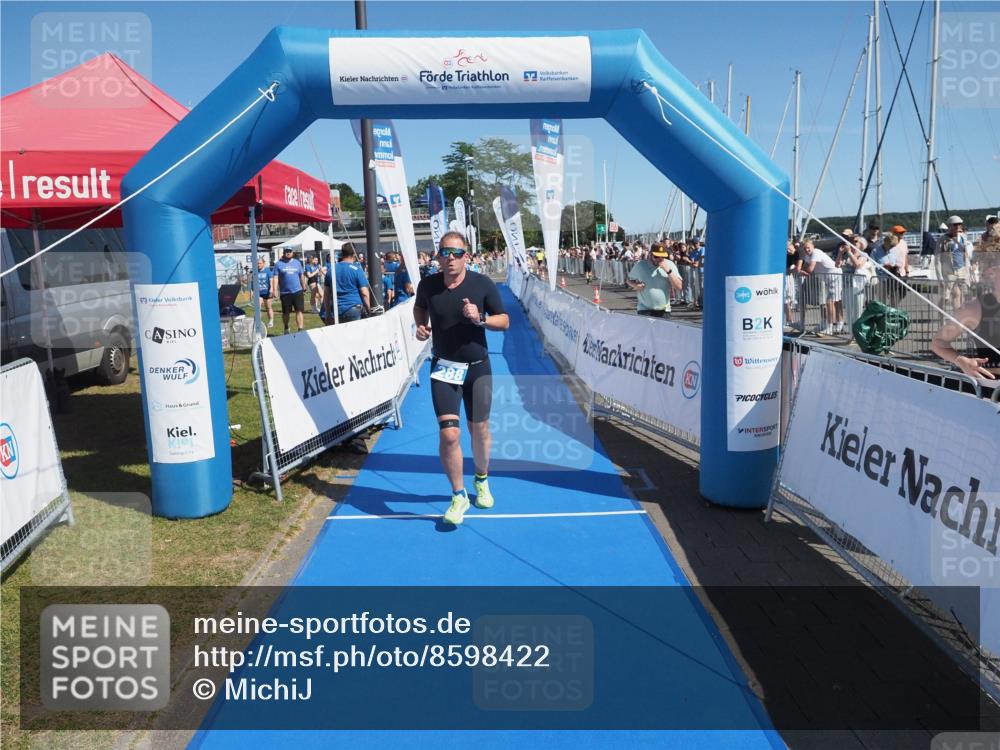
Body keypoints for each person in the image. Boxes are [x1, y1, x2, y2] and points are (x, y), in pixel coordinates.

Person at [414, 231, 510, 526]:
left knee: (478, 430)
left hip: (478, 368)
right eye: (446, 252)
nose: (451, 258)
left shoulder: (482, 284)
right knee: (449, 434)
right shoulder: (428, 285)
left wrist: (480, 318)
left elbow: (504, 320)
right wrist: (420, 325)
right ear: (438, 256)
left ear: (466, 256)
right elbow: (419, 307)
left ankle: (481, 478)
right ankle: (458, 495)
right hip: (444, 368)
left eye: (457, 253)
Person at [931, 247, 1000, 380]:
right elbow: (938, 342)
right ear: (991, 272)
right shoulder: (973, 309)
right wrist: (961, 360)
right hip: (992, 386)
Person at [800, 239, 844, 335]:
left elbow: (810, 268)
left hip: (835, 276)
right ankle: (839, 324)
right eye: (805, 248)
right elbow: (805, 267)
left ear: (813, 246)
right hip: (828, 279)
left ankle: (830, 328)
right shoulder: (807, 255)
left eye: (808, 247)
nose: (807, 250)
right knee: (836, 301)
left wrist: (803, 271)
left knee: (829, 302)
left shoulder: (816, 252)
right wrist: (802, 270)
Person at [626, 242, 682, 318]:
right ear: (650, 254)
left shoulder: (670, 265)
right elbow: (628, 280)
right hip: (644, 309)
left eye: (662, 257)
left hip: (664, 310)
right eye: (656, 256)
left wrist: (668, 271)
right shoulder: (641, 265)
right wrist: (635, 285)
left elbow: (679, 287)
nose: (659, 259)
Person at [938, 215, 973, 310]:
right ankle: (942, 313)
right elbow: (937, 259)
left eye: (959, 224)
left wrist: (969, 269)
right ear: (949, 226)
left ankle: (958, 315)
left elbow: (966, 255)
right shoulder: (943, 240)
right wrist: (939, 277)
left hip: (962, 270)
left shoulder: (963, 237)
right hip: (949, 271)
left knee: (961, 294)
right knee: (948, 295)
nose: (958, 226)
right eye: (955, 224)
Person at [333, 244, 371, 323]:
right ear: (354, 255)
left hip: (337, 309)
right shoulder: (357, 270)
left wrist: (327, 313)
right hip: (354, 307)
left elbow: (326, 293)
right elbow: (364, 293)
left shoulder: (332, 269)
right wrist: (369, 309)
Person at [274, 246, 306, 334]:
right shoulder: (278, 264)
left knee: (299, 310)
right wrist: (275, 289)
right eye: (286, 251)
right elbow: (275, 277)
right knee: (286, 313)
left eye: (290, 251)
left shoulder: (297, 263)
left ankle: (300, 330)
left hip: (297, 291)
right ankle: (286, 327)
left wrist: (304, 286)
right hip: (285, 292)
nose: (288, 253)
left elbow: (301, 275)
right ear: (284, 253)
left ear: (292, 253)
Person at [255, 256, 276, 329]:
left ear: (264, 263)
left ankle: (271, 321)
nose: (258, 265)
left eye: (260, 263)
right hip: (259, 293)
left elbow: (271, 280)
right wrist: (252, 291)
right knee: (258, 307)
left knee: (268, 307)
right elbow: (253, 282)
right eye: (257, 263)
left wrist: (271, 289)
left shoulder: (268, 271)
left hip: (267, 292)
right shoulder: (255, 272)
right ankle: (258, 322)